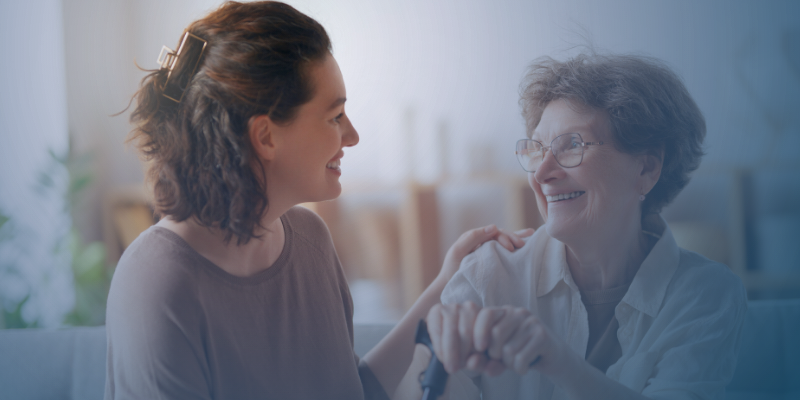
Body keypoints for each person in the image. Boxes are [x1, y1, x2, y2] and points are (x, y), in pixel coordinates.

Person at [104, 2, 531, 399]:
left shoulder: (310, 240)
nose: (352, 136)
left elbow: (353, 389)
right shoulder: (158, 283)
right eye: (334, 116)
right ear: (266, 136)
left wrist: (447, 282)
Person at [416, 53, 747, 400]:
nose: (541, 174)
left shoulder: (707, 296)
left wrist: (561, 364)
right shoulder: (488, 276)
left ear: (647, 169)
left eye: (572, 145)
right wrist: (434, 360)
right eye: (538, 149)